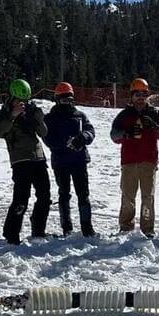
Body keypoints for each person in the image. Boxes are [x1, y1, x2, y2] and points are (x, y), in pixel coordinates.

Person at [110, 78, 159, 238]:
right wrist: (126, 133)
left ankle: (147, 228)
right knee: (128, 196)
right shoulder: (124, 115)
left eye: (144, 94)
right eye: (137, 94)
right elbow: (114, 135)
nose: (141, 98)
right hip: (129, 162)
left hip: (148, 162)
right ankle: (126, 227)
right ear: (132, 96)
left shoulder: (155, 114)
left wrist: (154, 126)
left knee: (148, 197)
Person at [0, 79, 49, 245]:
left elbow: (43, 133)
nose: (22, 104)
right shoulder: (3, 113)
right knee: (21, 199)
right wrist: (13, 115)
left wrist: (39, 120)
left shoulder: (32, 111)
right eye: (19, 100)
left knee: (44, 197)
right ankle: (11, 233)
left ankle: (38, 229)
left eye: (25, 100)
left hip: (38, 158)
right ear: (11, 98)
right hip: (20, 160)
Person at [42, 82, 96, 237]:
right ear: (57, 100)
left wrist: (82, 138)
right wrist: (66, 142)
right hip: (61, 162)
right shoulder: (50, 118)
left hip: (79, 160)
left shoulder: (80, 115)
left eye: (70, 100)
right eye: (64, 100)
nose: (68, 103)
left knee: (83, 194)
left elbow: (90, 131)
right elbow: (47, 138)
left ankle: (87, 227)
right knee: (64, 194)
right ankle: (66, 227)